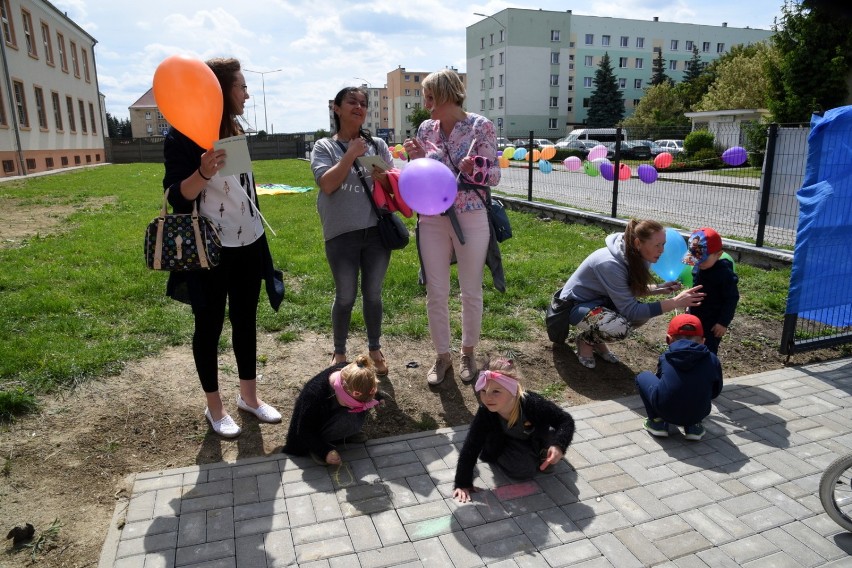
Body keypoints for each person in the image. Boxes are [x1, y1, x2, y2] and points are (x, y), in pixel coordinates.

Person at [162, 57, 284, 438]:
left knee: (245, 320)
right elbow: (175, 197)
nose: (247, 94)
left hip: (248, 241)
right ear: (219, 90)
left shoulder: (233, 129)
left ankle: (249, 397)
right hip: (209, 247)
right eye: (241, 87)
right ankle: (214, 407)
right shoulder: (180, 136)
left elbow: (245, 194)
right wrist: (201, 172)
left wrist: (262, 243)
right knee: (209, 325)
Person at [402, 69, 501, 386]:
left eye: (429, 95)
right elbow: (423, 173)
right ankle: (442, 356)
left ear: (445, 93)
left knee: (470, 291)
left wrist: (478, 168)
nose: (426, 102)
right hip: (432, 217)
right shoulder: (426, 128)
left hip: (471, 214)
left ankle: (467, 353)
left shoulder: (480, 126)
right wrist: (415, 159)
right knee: (436, 292)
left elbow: (495, 176)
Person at [311, 87, 395, 375]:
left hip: (375, 232)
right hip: (340, 233)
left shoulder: (378, 146)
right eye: (352, 102)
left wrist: (384, 178)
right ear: (336, 108)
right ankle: (339, 352)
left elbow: (392, 189)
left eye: (363, 103)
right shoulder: (324, 147)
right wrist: (350, 155)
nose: (359, 107)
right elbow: (327, 184)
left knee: (373, 294)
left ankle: (374, 348)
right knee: (345, 296)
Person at [549, 219, 706, 369]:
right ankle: (585, 340)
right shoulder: (609, 264)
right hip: (575, 307)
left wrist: (659, 288)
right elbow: (630, 310)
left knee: (642, 315)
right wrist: (675, 302)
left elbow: (627, 289)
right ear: (638, 243)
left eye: (663, 244)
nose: (662, 250)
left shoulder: (640, 255)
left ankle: (595, 338)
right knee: (620, 327)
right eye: (658, 245)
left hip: (601, 302)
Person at [452, 357, 575, 502]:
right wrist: (462, 483)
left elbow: (565, 420)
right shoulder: (485, 413)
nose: (487, 397)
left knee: (553, 437)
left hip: (533, 436)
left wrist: (559, 445)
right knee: (523, 471)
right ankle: (531, 457)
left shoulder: (531, 403)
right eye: (483, 391)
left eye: (496, 392)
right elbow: (471, 447)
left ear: (513, 391)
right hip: (504, 444)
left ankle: (541, 453)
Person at [282, 354, 383, 465]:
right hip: (311, 434)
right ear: (339, 389)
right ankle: (319, 447)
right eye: (349, 403)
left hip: (333, 418)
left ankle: (343, 435)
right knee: (347, 419)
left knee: (353, 414)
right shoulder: (314, 395)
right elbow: (304, 431)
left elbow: (367, 385)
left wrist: (378, 397)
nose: (352, 407)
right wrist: (324, 451)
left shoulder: (356, 372)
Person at [635, 313, 723, 441]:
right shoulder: (713, 359)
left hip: (666, 411)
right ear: (703, 341)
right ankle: (693, 426)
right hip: (699, 413)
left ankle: (657, 422)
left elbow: (662, 385)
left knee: (643, 376)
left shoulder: (666, 357)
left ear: (668, 339)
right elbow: (715, 392)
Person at [683, 227, 740, 354]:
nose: (698, 262)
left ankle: (707, 370)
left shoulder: (724, 275)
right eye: (695, 258)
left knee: (708, 350)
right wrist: (689, 305)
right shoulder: (698, 267)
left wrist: (723, 322)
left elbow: (732, 298)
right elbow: (695, 287)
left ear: (718, 255)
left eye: (702, 259)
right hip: (695, 316)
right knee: (691, 344)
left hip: (712, 323)